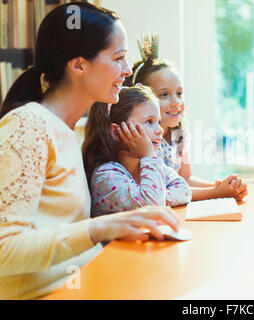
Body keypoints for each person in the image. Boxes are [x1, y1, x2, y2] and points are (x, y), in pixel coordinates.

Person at [0, 3, 179, 300]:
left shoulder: (68, 130)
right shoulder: (28, 125)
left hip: (86, 283)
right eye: (119, 58)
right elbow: (4, 249)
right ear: (79, 64)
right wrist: (100, 228)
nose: (126, 70)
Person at [124, 34, 248, 202]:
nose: (176, 103)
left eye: (179, 93)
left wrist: (221, 186)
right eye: (164, 94)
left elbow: (185, 180)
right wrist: (217, 192)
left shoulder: (179, 134)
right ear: (142, 98)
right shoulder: (140, 140)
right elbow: (159, 192)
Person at [82, 85, 192, 217]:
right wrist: (149, 156)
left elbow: (184, 190)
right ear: (117, 132)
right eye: (149, 121)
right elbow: (153, 207)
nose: (160, 130)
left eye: (159, 122)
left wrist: (158, 195)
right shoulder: (105, 176)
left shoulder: (149, 167)